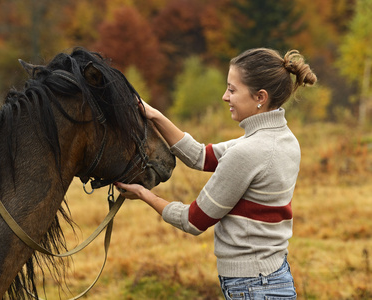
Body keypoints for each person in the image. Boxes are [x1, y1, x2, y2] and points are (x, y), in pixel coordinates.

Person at [115, 48, 317, 299]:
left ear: (260, 97)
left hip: (253, 286)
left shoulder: (249, 151)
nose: (225, 97)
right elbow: (201, 156)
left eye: (232, 90)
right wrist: (154, 115)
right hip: (271, 278)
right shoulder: (284, 139)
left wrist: (145, 195)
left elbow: (193, 221)